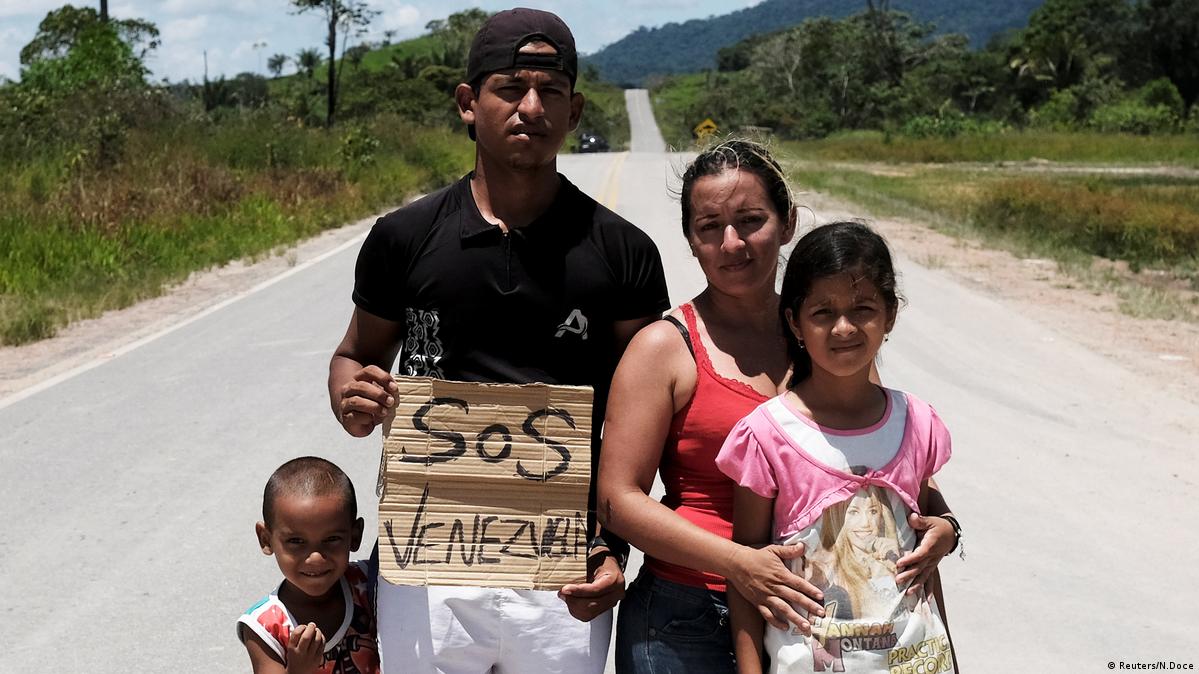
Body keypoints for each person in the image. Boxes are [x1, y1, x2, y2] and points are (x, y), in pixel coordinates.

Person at [326, 8, 670, 673]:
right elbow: (354, 356)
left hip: (564, 565)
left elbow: (644, 421)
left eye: (551, 91)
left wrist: (613, 546)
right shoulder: (403, 238)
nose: (530, 107)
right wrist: (352, 398)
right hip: (428, 559)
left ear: (573, 111)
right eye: (510, 88)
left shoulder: (622, 252)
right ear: (468, 103)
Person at [597, 141, 956, 674]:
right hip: (687, 617)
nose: (732, 242)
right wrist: (740, 563)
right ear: (690, 240)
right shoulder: (664, 348)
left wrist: (945, 524)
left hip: (816, 622)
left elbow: (880, 466)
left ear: (787, 223)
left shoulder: (827, 334)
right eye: (709, 227)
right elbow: (617, 501)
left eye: (751, 220)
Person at [715, 221, 959, 673]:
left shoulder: (917, 422)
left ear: (890, 315)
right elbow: (747, 572)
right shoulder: (769, 435)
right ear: (795, 322)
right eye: (823, 312)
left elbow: (924, 563)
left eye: (863, 308)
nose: (844, 327)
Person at [237, 457, 377, 674]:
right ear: (266, 539)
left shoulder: (370, 584)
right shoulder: (265, 627)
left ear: (355, 535)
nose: (315, 558)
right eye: (296, 541)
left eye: (332, 539)